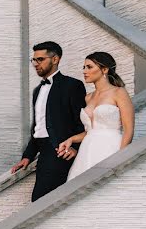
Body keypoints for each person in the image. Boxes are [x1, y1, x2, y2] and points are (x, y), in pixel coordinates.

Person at [11, 41, 87, 201]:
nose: (36, 64)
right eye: (34, 60)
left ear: (55, 59)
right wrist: (27, 156)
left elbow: (81, 122)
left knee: (40, 199)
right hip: (43, 150)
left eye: (40, 59)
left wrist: (75, 148)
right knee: (43, 200)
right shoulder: (38, 90)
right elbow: (37, 128)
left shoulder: (72, 85)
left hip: (60, 151)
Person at [60, 52, 135, 180]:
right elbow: (91, 131)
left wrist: (120, 158)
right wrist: (71, 139)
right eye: (83, 67)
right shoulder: (88, 97)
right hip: (87, 149)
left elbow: (129, 130)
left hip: (110, 147)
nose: (84, 71)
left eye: (89, 67)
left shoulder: (119, 92)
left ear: (104, 69)